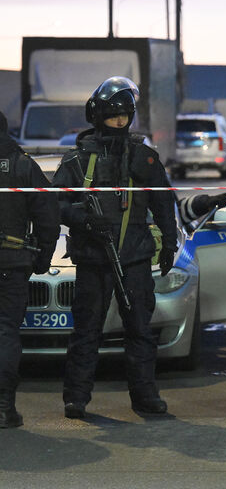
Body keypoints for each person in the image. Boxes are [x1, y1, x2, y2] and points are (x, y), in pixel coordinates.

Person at [53, 77, 178, 419]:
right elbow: (55, 204)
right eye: (113, 115)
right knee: (86, 332)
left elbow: (164, 203)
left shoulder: (144, 158)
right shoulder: (78, 160)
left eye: (125, 115)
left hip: (135, 259)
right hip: (93, 259)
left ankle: (145, 397)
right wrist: (83, 220)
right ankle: (76, 398)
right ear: (98, 116)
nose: (120, 121)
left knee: (140, 330)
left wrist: (169, 242)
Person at [0, 110, 60, 428]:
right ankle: (3, 408)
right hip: (11, 263)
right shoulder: (22, 165)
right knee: (5, 332)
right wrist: (43, 257)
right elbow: (48, 215)